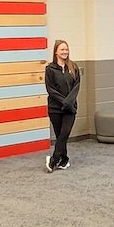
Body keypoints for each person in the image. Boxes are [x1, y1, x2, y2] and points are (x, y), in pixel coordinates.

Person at [44, 39, 80, 171]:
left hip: (70, 109)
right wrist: (63, 101)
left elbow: (76, 87)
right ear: (56, 52)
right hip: (55, 109)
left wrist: (69, 102)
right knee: (60, 136)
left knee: (65, 134)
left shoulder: (73, 67)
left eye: (66, 49)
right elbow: (51, 90)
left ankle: (53, 159)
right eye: (62, 50)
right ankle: (64, 159)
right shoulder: (50, 69)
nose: (65, 52)